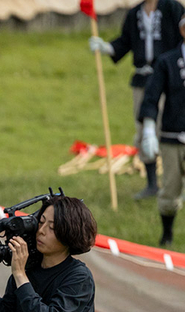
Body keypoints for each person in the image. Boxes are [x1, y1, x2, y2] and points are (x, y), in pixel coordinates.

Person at [90, 0, 185, 201]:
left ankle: (177, 183)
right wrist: (107, 47)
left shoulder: (173, 9)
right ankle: (152, 184)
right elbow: (125, 41)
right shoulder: (135, 14)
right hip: (143, 80)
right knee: (144, 127)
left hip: (171, 78)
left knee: (172, 127)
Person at [138, 15, 185, 244]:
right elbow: (152, 95)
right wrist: (148, 128)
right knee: (170, 188)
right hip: (171, 136)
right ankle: (167, 234)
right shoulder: (167, 61)